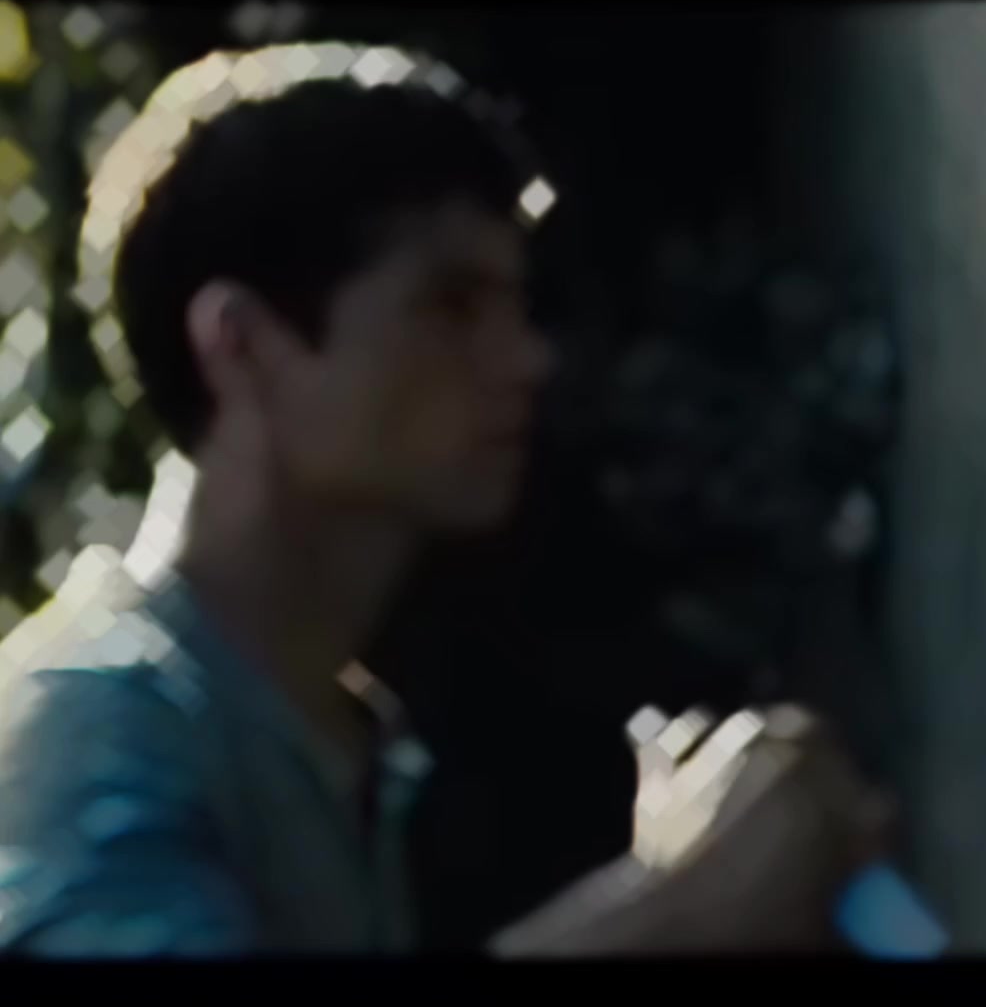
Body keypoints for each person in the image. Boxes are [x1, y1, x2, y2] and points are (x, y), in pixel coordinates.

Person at [0, 77, 884, 955]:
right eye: (452, 304)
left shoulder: (326, 730)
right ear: (242, 343)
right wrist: (673, 904)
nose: (528, 358)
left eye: (514, 303)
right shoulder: (91, 724)